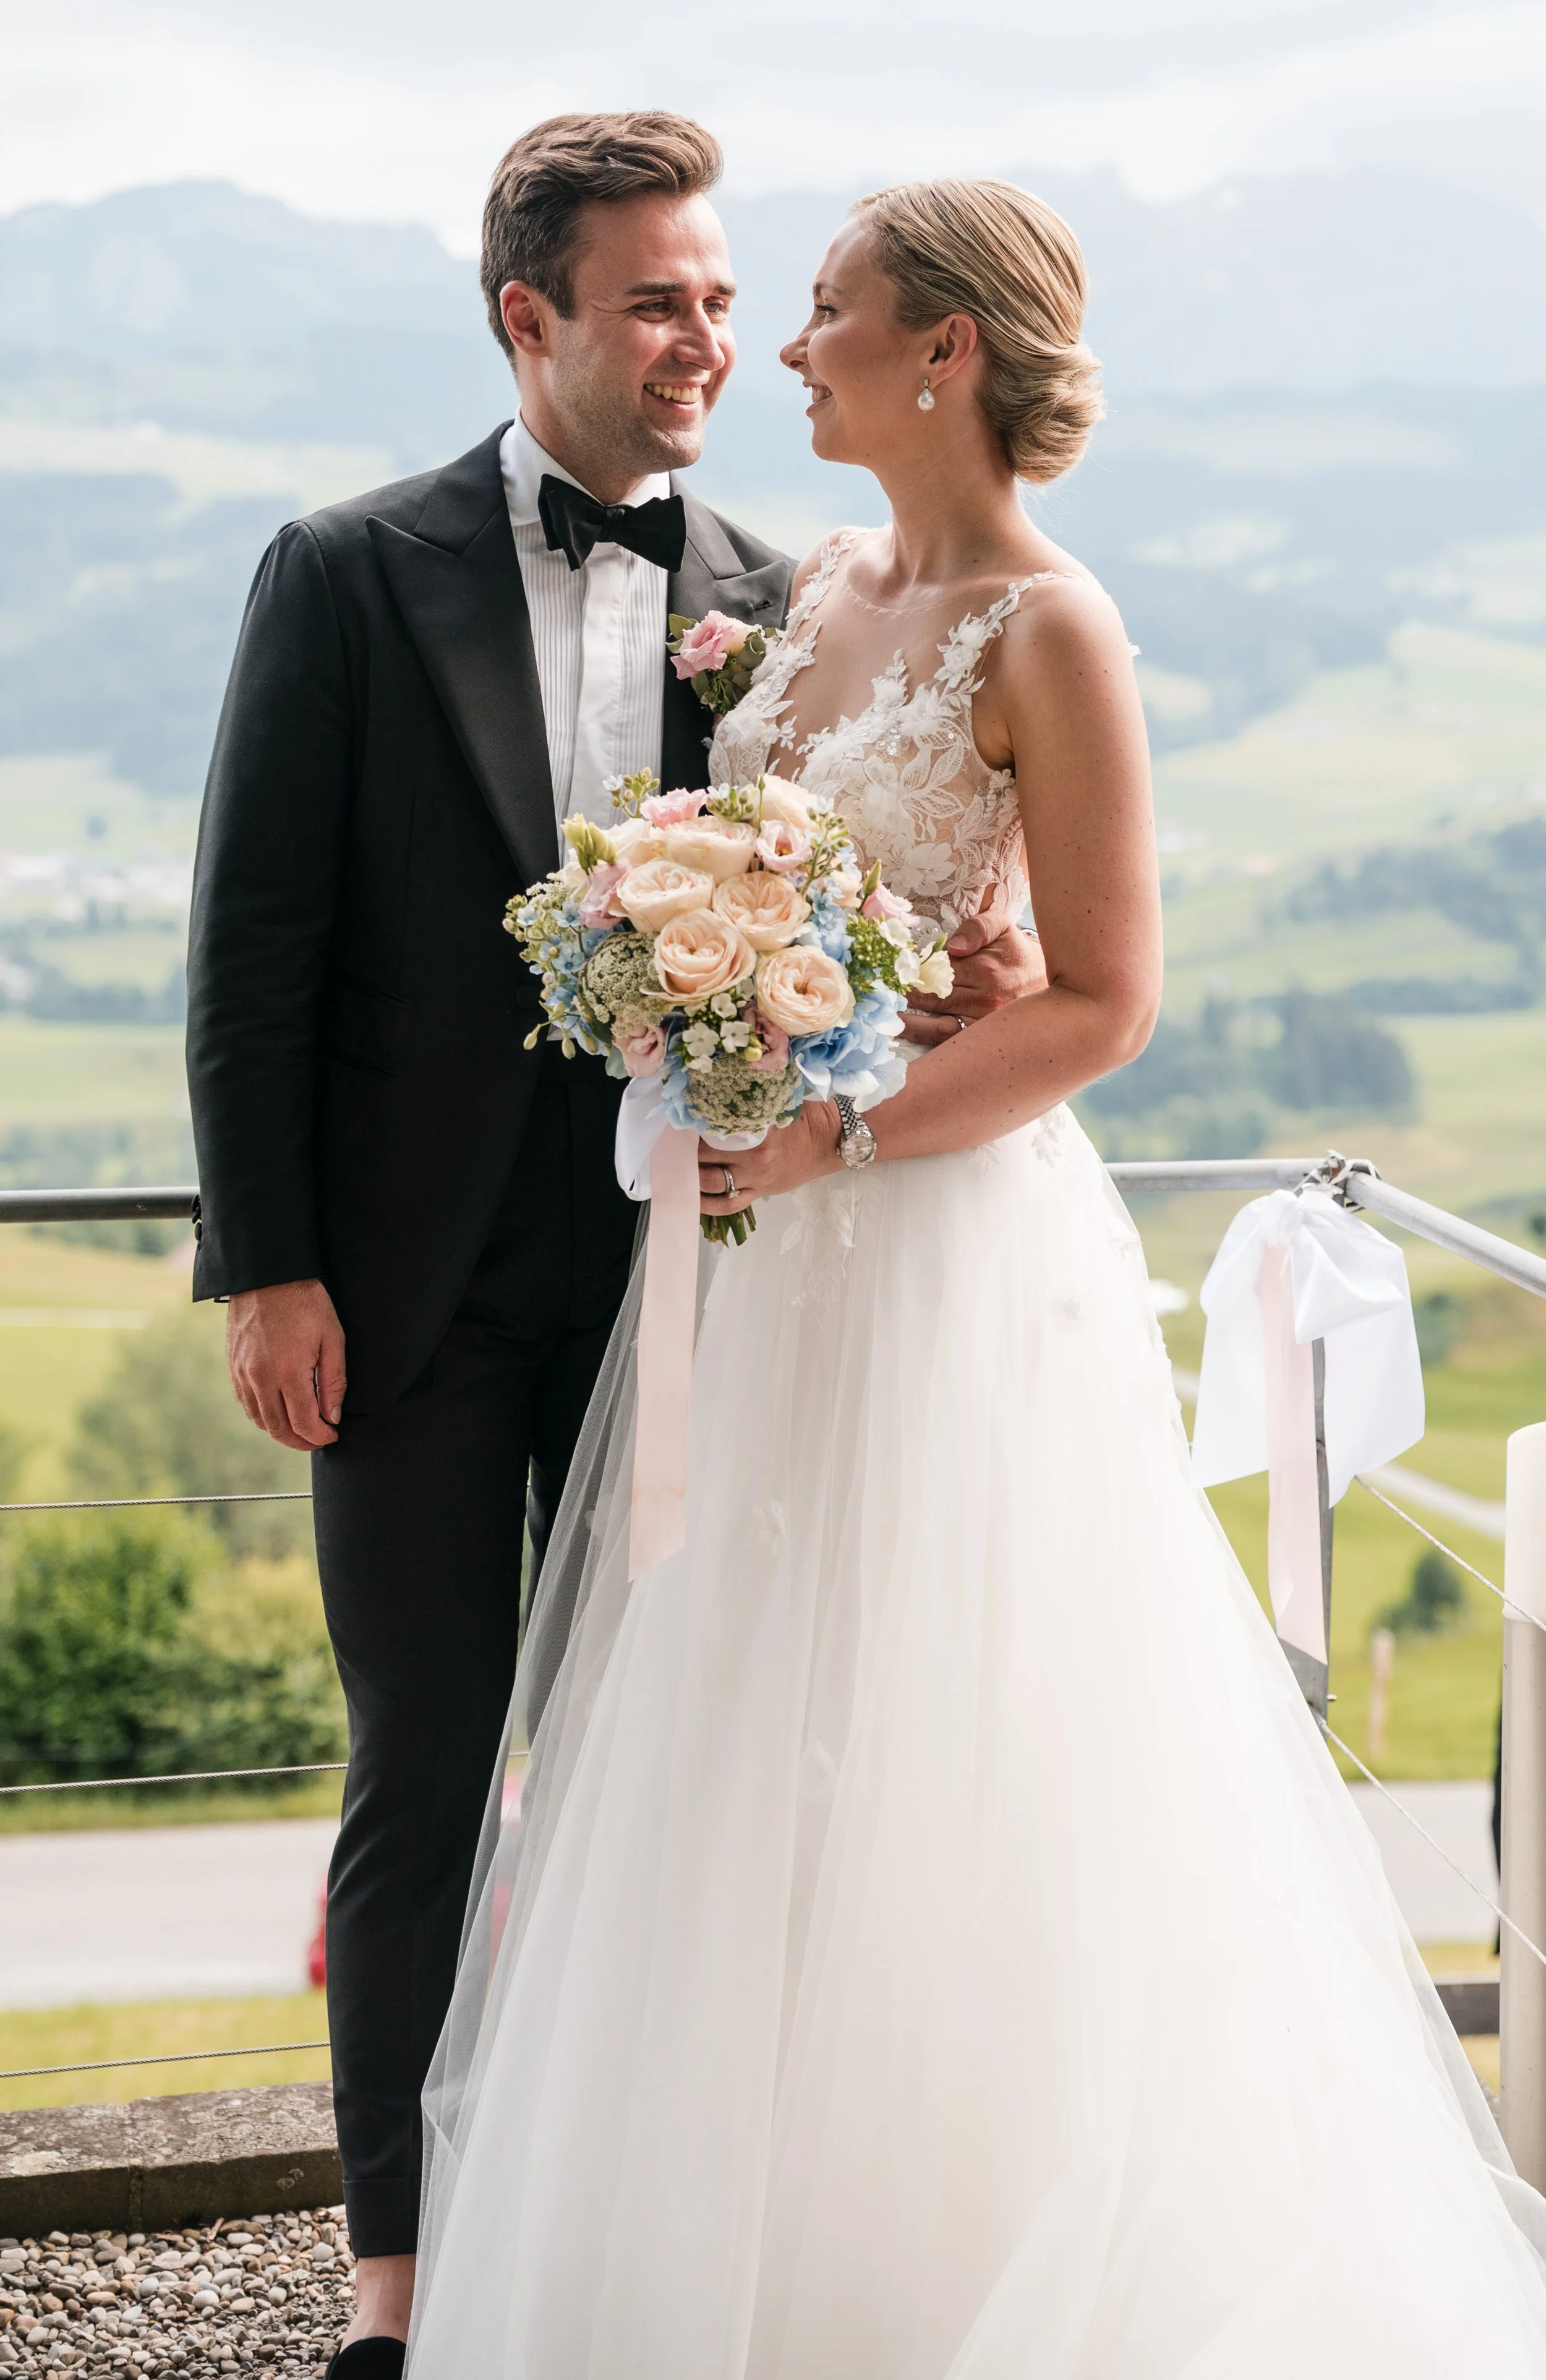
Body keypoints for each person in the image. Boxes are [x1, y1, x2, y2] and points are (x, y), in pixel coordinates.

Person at [406, 178, 1546, 2376]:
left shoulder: (1049, 629)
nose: (784, 345)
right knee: (744, 1737)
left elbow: (1105, 1002)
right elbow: (804, 888)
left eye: (825, 307)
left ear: (944, 350)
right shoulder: (818, 584)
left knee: (968, 1740)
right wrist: (701, 997)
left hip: (940, 1252)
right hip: (758, 1264)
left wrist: (836, 1127)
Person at [184, 117, 1041, 2377]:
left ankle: (623, 2257)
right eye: (657, 301)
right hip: (402, 1298)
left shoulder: (790, 597)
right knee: (422, 1772)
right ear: (526, 317)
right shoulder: (343, 573)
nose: (707, 343)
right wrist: (267, 1265)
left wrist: (960, 982)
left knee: (677, 1777)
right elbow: (252, 949)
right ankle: (398, 2286)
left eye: (726, 301)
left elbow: (893, 914)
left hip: (713, 1292)